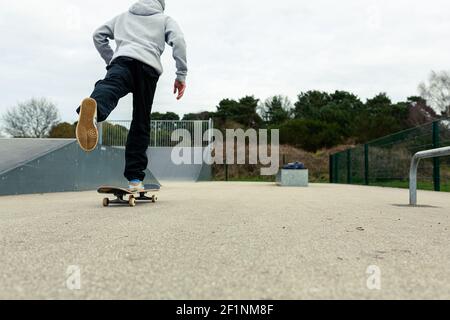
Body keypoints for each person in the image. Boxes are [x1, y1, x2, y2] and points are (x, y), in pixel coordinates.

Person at [75, 0, 187, 191]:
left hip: (122, 61)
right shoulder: (164, 19)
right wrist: (181, 75)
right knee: (140, 121)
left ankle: (96, 109)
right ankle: (135, 179)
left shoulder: (122, 17)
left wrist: (111, 59)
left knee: (109, 87)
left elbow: (98, 35)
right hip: (148, 68)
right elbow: (179, 41)